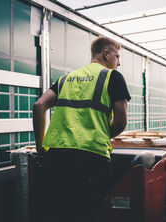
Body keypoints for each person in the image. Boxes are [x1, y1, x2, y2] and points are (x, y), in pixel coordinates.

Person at [32, 36, 131, 222]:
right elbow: (120, 122)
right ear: (106, 53)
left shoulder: (66, 79)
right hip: (92, 158)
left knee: (59, 213)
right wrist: (100, 133)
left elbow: (39, 106)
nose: (119, 63)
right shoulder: (112, 77)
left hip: (56, 156)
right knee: (88, 213)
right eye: (117, 57)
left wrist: (40, 147)